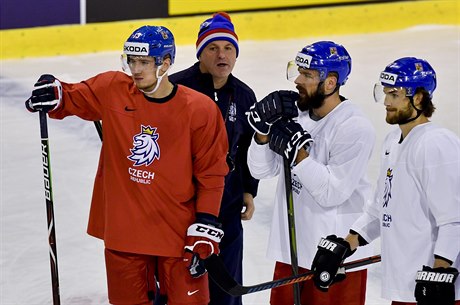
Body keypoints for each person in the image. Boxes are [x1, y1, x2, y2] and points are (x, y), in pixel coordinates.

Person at [25, 25, 230, 305]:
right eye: (131, 61)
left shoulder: (201, 109)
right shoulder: (113, 89)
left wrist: (205, 222)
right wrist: (54, 93)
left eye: (144, 62)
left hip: (178, 235)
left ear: (166, 63)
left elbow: (212, 172)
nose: (135, 69)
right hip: (125, 233)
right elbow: (72, 97)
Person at [311, 57, 460, 305]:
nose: (387, 102)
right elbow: (381, 208)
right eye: (384, 93)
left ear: (419, 98)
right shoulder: (393, 141)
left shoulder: (436, 144)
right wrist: (347, 244)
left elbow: (454, 218)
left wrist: (440, 272)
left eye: (394, 94)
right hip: (406, 287)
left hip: (433, 291)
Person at [246, 41, 376, 305]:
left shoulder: (354, 127)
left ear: (330, 83)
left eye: (307, 75)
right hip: (292, 252)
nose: (297, 80)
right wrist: (262, 132)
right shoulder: (296, 115)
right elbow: (260, 170)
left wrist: (300, 156)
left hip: (334, 257)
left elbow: (332, 193)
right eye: (298, 72)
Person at [169, 12, 259, 305]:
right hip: (182, 208)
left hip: (228, 205)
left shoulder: (244, 96)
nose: (223, 55)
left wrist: (248, 189)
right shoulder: (175, 89)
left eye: (229, 48)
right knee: (181, 287)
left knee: (227, 287)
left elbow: (247, 149)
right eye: (213, 48)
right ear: (200, 52)